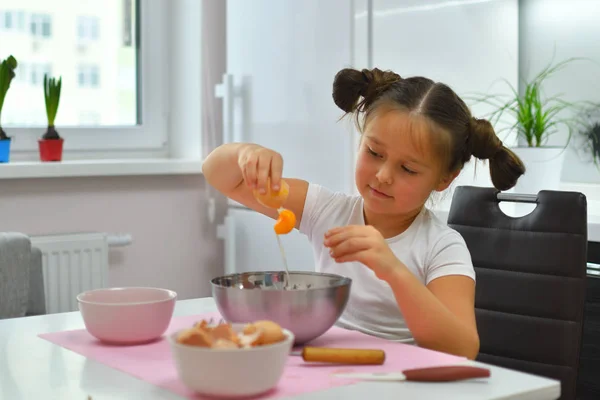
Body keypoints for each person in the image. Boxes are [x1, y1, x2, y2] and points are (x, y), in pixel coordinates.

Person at [202, 67, 525, 359]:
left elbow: (462, 347)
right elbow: (218, 175)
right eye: (373, 152)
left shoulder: (442, 246)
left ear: (444, 179)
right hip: (327, 369)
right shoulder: (326, 209)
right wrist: (247, 153)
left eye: (408, 169)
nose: (383, 174)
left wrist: (393, 270)